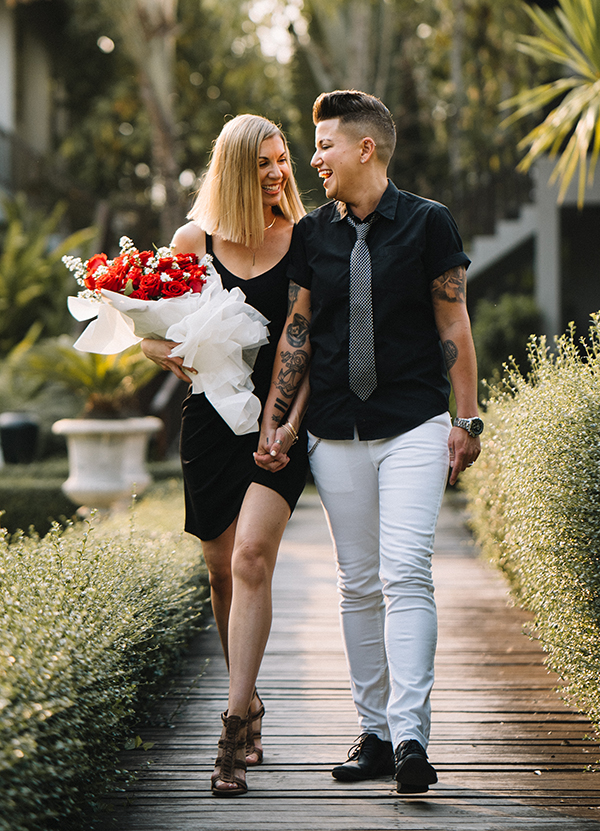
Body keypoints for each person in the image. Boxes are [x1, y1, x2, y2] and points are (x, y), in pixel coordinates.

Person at [256, 90, 482, 794]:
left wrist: (467, 419)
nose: (313, 157)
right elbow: (299, 330)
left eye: (323, 144)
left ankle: (413, 735)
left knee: (406, 571)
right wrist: (277, 416)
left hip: (413, 424)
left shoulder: (428, 224)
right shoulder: (313, 235)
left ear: (365, 148)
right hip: (335, 434)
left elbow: (454, 326)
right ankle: (376, 733)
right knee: (357, 584)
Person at [141, 114, 308, 796]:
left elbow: (308, 345)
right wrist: (168, 351)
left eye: (283, 159)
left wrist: (287, 427)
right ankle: (254, 693)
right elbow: (151, 330)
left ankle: (233, 727)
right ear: (235, 169)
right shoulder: (193, 240)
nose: (279, 173)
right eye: (264, 163)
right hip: (210, 424)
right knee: (219, 569)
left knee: (251, 557)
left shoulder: (302, 240)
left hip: (280, 427)